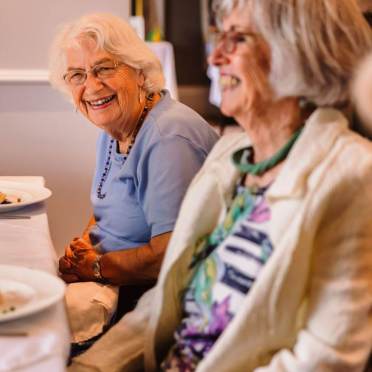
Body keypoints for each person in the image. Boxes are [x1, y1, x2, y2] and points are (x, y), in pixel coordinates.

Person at [69, 1, 372, 371]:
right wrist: (91, 366)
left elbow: (325, 359)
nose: (215, 59)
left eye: (238, 39)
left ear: (300, 51)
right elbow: (164, 305)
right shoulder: (231, 157)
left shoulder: (353, 173)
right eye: (220, 38)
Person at [48, 12, 218, 344]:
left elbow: (169, 257)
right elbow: (108, 203)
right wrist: (86, 243)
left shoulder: (168, 138)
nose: (92, 86)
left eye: (105, 69)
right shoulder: (117, 128)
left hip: (155, 302)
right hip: (115, 284)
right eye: (78, 74)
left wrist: (95, 267)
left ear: (140, 72)